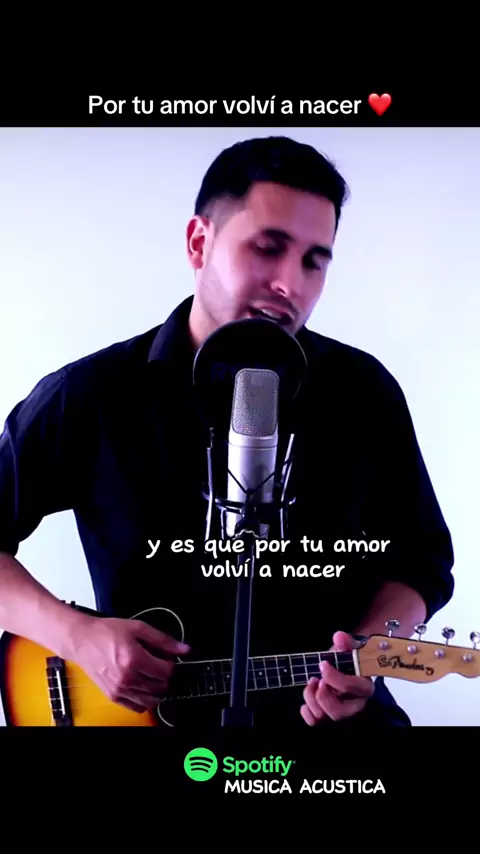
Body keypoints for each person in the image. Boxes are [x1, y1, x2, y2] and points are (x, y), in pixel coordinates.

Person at [0, 136, 454, 730]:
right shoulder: (89, 395)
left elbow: (421, 561)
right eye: (268, 248)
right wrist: (75, 635)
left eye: (314, 261)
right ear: (199, 242)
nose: (291, 284)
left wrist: (369, 651)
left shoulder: (363, 392)